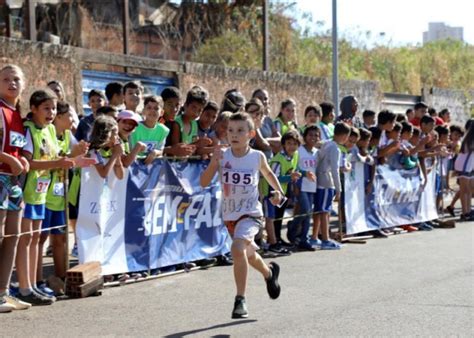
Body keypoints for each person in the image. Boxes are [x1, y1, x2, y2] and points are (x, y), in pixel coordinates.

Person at [200, 112, 284, 319]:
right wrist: (213, 162)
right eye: (230, 131)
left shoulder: (257, 156)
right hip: (230, 215)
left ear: (251, 134)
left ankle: (240, 299)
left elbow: (268, 174)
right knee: (245, 254)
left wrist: (279, 193)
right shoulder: (223, 156)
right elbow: (203, 182)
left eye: (240, 131)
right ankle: (269, 274)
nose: (234, 135)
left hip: (251, 214)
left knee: (237, 248)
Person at [16, 89, 75, 306]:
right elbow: (28, 164)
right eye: (46, 108)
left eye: (53, 108)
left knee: (34, 240)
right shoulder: (29, 130)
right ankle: (25, 285)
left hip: (43, 192)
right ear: (33, 109)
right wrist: (57, 164)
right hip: (28, 192)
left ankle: (34, 284)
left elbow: (54, 157)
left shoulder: (50, 129)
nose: (51, 113)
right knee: (27, 239)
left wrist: (70, 159)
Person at [37, 101, 89, 291]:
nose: (73, 120)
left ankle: (62, 278)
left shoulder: (68, 135)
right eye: (70, 116)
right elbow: (55, 158)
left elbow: (73, 160)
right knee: (40, 239)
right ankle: (38, 281)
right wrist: (72, 154)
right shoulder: (48, 131)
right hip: (44, 195)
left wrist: (80, 156)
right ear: (58, 117)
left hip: (61, 196)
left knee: (60, 239)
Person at [0, 65, 32, 312]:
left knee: (14, 236)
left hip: (15, 183)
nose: (12, 83)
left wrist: (19, 159)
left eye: (16, 79)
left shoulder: (19, 115)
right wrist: (9, 159)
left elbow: (16, 148)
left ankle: (3, 292)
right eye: (6, 79)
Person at [315, 122, 351, 250]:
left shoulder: (326, 144)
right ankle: (325, 238)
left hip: (320, 179)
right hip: (326, 180)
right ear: (344, 136)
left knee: (321, 210)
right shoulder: (335, 148)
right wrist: (338, 188)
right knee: (325, 211)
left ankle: (319, 236)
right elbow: (335, 170)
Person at [263, 130, 301, 247]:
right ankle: (272, 241)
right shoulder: (278, 159)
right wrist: (290, 177)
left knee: (279, 217)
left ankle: (278, 238)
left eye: (295, 144)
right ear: (283, 144)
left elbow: (294, 171)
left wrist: (302, 174)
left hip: (283, 192)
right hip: (271, 193)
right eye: (289, 143)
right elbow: (274, 178)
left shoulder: (295, 156)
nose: (292, 146)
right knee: (271, 218)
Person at [288, 125, 320, 251]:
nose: (313, 137)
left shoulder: (317, 153)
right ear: (305, 137)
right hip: (301, 185)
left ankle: (303, 239)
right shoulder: (299, 151)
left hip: (312, 186)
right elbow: (295, 168)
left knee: (308, 214)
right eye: (310, 135)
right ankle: (292, 230)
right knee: (306, 210)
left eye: (316, 135)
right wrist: (295, 186)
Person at [129, 95, 169, 165]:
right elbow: (130, 150)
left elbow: (161, 149)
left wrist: (155, 152)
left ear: (162, 112)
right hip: (134, 165)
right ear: (143, 111)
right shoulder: (134, 127)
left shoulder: (163, 130)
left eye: (156, 108)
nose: (152, 110)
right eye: (149, 108)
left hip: (153, 167)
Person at [170, 86, 210, 154]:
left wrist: (201, 143)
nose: (196, 113)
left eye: (200, 110)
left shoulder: (194, 124)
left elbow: (193, 147)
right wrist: (197, 144)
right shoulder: (177, 123)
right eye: (193, 108)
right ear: (185, 105)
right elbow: (176, 150)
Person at [453, 121, 474, 221]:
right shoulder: (469, 139)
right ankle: (465, 212)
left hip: (469, 165)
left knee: (469, 189)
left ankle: (468, 211)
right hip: (464, 165)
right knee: (464, 190)